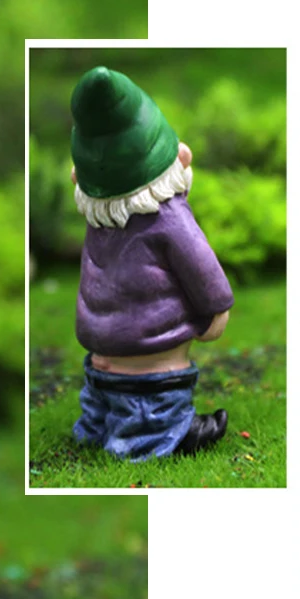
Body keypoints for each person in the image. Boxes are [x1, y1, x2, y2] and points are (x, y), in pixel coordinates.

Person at [69, 66, 233, 461]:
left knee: (102, 398)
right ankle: (161, 432)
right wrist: (217, 310)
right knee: (150, 405)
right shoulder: (169, 217)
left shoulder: (99, 217)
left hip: (98, 349)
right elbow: (203, 269)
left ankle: (95, 424)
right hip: (151, 358)